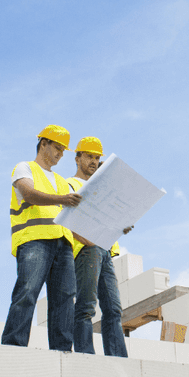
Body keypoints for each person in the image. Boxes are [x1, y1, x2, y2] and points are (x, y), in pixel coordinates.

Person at [2, 125, 81, 351]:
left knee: (65, 300)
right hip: (35, 239)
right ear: (43, 143)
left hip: (63, 244)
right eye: (57, 148)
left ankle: (63, 352)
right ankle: (13, 346)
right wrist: (62, 199)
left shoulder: (61, 181)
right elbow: (28, 193)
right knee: (27, 292)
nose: (60, 154)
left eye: (63, 150)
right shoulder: (25, 168)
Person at [66, 136, 132, 356]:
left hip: (105, 250)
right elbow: (66, 220)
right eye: (89, 156)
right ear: (77, 158)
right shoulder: (70, 185)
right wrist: (86, 241)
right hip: (86, 250)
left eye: (96, 158)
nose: (93, 161)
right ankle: (85, 354)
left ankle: (118, 358)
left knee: (113, 309)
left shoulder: (103, 189)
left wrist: (122, 225)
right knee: (86, 306)